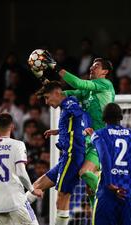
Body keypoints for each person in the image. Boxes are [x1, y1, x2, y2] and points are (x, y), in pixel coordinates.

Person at [34, 54, 115, 206]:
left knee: (85, 173)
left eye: (96, 66)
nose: (92, 67)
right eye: (91, 65)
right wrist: (42, 79)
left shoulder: (105, 85)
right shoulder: (85, 93)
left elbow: (77, 82)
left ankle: (111, 193)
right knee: (90, 191)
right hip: (89, 140)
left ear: (105, 72)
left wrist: (54, 66)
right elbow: (60, 95)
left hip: (102, 141)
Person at [85, 103, 131, 225]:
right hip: (129, 193)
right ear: (121, 117)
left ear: (103, 119)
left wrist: (108, 182)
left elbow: (103, 155)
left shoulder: (99, 134)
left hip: (106, 194)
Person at [27, 81, 87, 225]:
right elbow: (77, 122)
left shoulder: (69, 104)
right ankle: (15, 217)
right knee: (36, 186)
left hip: (73, 155)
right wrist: (60, 131)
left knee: (62, 195)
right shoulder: (65, 107)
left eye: (47, 97)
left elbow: (82, 115)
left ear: (57, 93)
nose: (47, 102)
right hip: (66, 156)